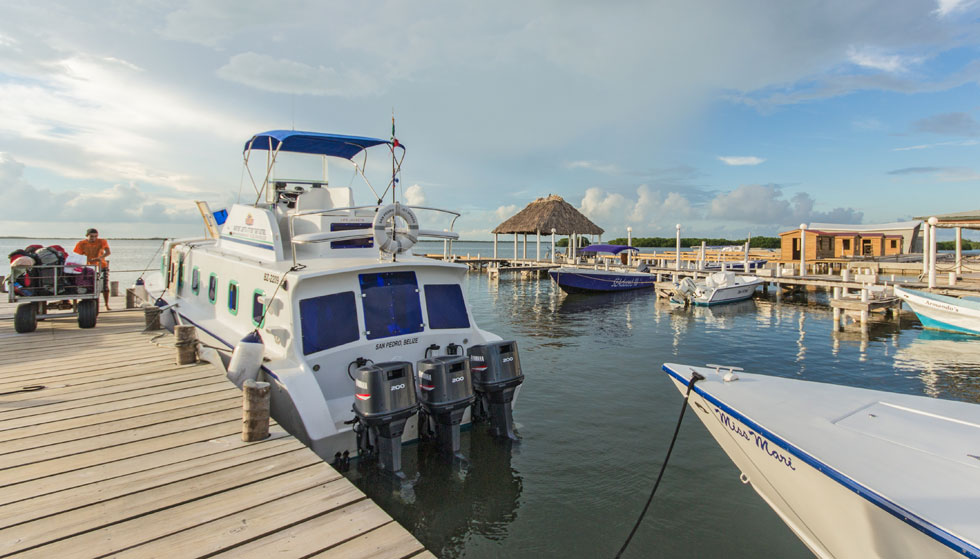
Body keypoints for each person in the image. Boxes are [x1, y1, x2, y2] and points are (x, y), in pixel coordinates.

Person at [74, 228, 111, 310]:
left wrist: (100, 258)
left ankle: (106, 304)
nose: (93, 238)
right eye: (91, 236)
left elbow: (108, 252)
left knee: (104, 285)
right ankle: (81, 304)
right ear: (87, 236)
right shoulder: (81, 243)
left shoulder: (102, 241)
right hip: (88, 267)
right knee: (86, 285)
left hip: (101, 265)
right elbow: (77, 256)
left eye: (95, 236)